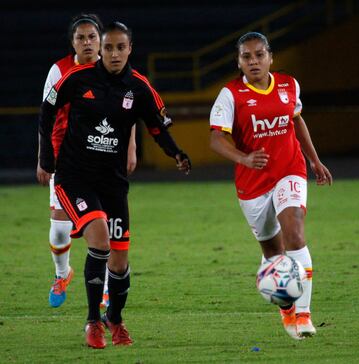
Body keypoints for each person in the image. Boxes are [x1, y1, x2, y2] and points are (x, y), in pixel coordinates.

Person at [37, 21, 191, 349]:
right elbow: (46, 112)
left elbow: (157, 126)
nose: (114, 53)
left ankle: (115, 319)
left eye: (120, 47)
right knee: (99, 239)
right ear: (101, 51)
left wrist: (175, 152)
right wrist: (46, 158)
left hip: (113, 183)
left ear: (130, 49)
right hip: (75, 177)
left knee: (119, 263)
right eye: (108, 48)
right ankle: (93, 321)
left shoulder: (139, 87)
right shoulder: (77, 79)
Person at [209, 32, 332, 340]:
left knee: (294, 232)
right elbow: (216, 139)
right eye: (247, 57)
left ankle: (303, 315)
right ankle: (286, 308)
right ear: (239, 61)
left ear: (270, 57)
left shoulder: (289, 85)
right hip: (252, 184)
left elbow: (297, 120)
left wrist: (314, 161)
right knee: (273, 252)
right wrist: (244, 158)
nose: (254, 61)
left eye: (259, 55)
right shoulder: (231, 94)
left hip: (289, 170)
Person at [37, 14, 137, 308]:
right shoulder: (59, 70)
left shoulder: (111, 68)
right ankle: (61, 273)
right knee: (59, 229)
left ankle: (106, 288)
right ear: (73, 43)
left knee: (104, 225)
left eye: (93, 37)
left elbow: (128, 110)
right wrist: (42, 158)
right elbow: (46, 116)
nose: (88, 42)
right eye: (81, 38)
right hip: (64, 159)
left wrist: (130, 147)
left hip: (102, 158)